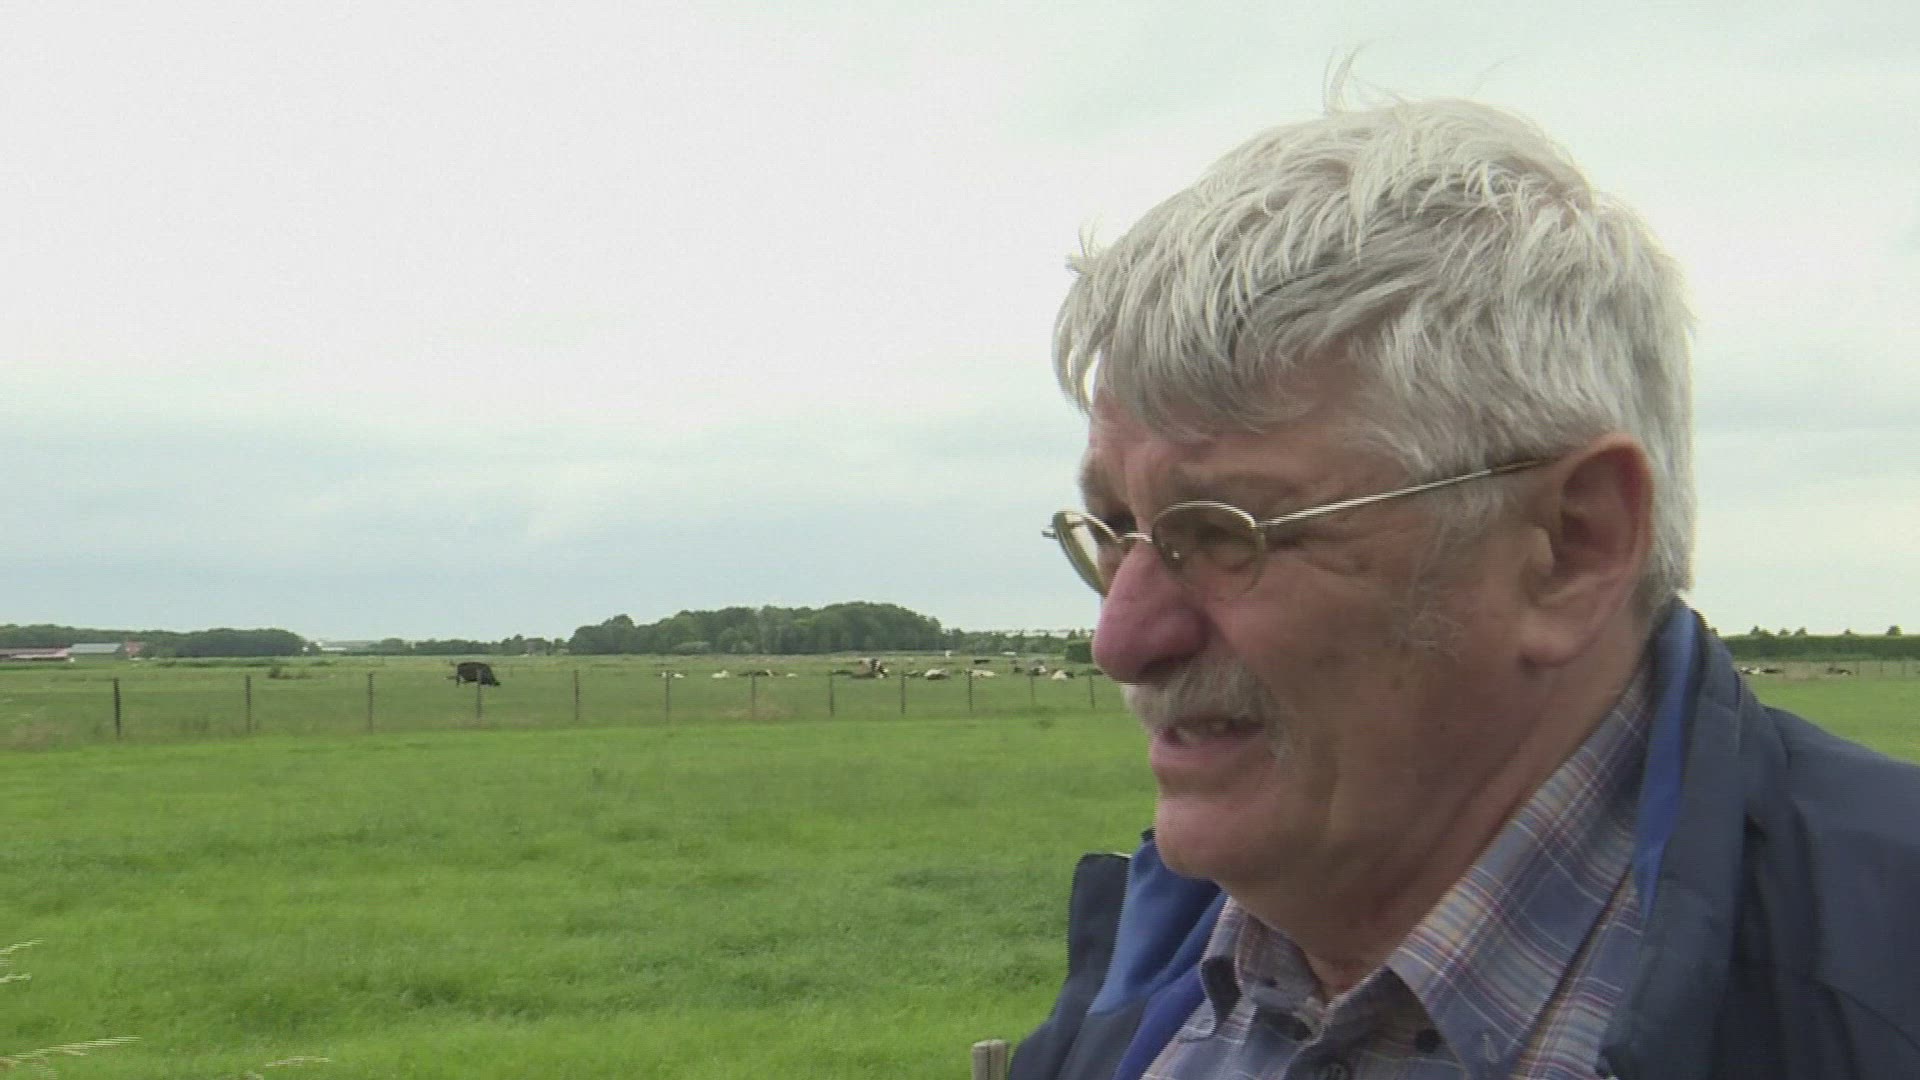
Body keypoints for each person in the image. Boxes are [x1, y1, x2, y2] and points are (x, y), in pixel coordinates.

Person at [1011, 91, 1920, 1080]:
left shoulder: (1877, 988)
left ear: (1570, 546)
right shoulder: (1150, 974)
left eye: (1226, 533)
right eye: (1116, 532)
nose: (1121, 640)